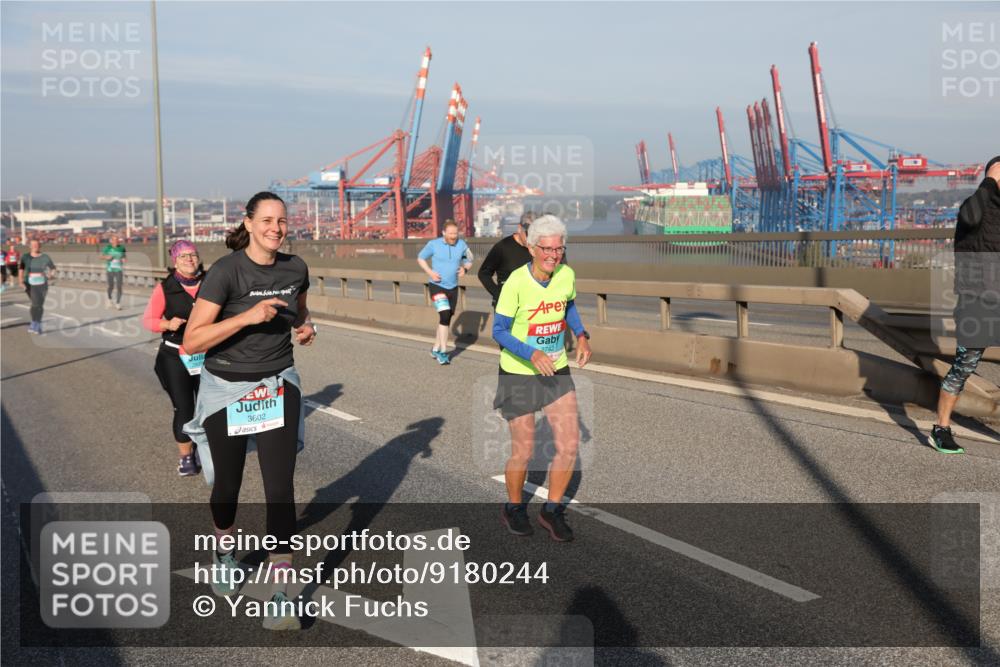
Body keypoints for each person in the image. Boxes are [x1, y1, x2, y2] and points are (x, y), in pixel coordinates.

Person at [182, 191, 316, 630]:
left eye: (281, 221)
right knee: (228, 484)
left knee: (280, 487)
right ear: (250, 222)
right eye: (267, 220)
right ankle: (225, 551)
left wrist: (304, 325)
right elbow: (193, 340)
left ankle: (281, 593)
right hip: (227, 388)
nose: (276, 228)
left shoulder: (295, 268)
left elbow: (299, 306)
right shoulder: (226, 271)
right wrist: (247, 317)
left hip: (277, 383)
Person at [492, 215, 592, 541]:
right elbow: (499, 331)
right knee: (524, 449)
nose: (553, 255)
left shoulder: (566, 275)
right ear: (533, 248)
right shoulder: (516, 283)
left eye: (559, 249)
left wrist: (581, 334)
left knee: (569, 446)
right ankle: (514, 507)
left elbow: (569, 305)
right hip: (519, 372)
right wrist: (531, 353)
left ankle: (551, 511)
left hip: (556, 368)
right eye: (546, 249)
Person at [931, 156, 1000, 454]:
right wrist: (990, 181)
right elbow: (972, 218)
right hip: (976, 300)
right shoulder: (973, 206)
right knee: (964, 366)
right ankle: (941, 429)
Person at [142, 240, 206, 476]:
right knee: (185, 408)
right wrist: (168, 323)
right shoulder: (165, 288)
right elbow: (148, 320)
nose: (189, 259)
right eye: (183, 256)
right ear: (175, 261)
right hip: (175, 356)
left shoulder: (210, 282)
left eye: (193, 255)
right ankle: (186, 457)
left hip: (207, 353)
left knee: (209, 406)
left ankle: (208, 450)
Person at [417, 219, 473, 364]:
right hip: (437, 285)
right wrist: (430, 272)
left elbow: (469, 259)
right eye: (451, 233)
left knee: (445, 319)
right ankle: (442, 351)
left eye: (455, 233)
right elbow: (421, 258)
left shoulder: (462, 244)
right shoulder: (433, 244)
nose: (454, 236)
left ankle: (435, 348)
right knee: (445, 314)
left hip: (452, 287)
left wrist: (465, 268)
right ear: (443, 233)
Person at [478, 212, 536, 308]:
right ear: (519, 228)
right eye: (528, 234)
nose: (531, 239)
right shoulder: (502, 247)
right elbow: (483, 273)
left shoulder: (537, 247)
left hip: (531, 306)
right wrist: (499, 295)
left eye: (535, 235)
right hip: (506, 307)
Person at [19, 239, 56, 334]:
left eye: (37, 244)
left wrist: (51, 275)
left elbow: (53, 268)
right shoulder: (25, 257)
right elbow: (21, 269)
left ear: (40, 246)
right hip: (29, 283)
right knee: (35, 303)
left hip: (42, 284)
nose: (35, 246)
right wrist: (20, 281)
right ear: (30, 246)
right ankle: (35, 323)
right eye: (33, 244)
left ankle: (36, 324)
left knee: (39, 305)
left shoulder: (45, 257)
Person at [101, 235, 127, 309]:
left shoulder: (122, 248)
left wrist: (124, 259)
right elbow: (101, 256)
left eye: (117, 240)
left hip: (119, 270)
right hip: (110, 270)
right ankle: (109, 299)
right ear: (111, 241)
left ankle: (118, 303)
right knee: (111, 286)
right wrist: (107, 257)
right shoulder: (108, 248)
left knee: (119, 286)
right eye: (114, 240)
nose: (116, 241)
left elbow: (124, 256)